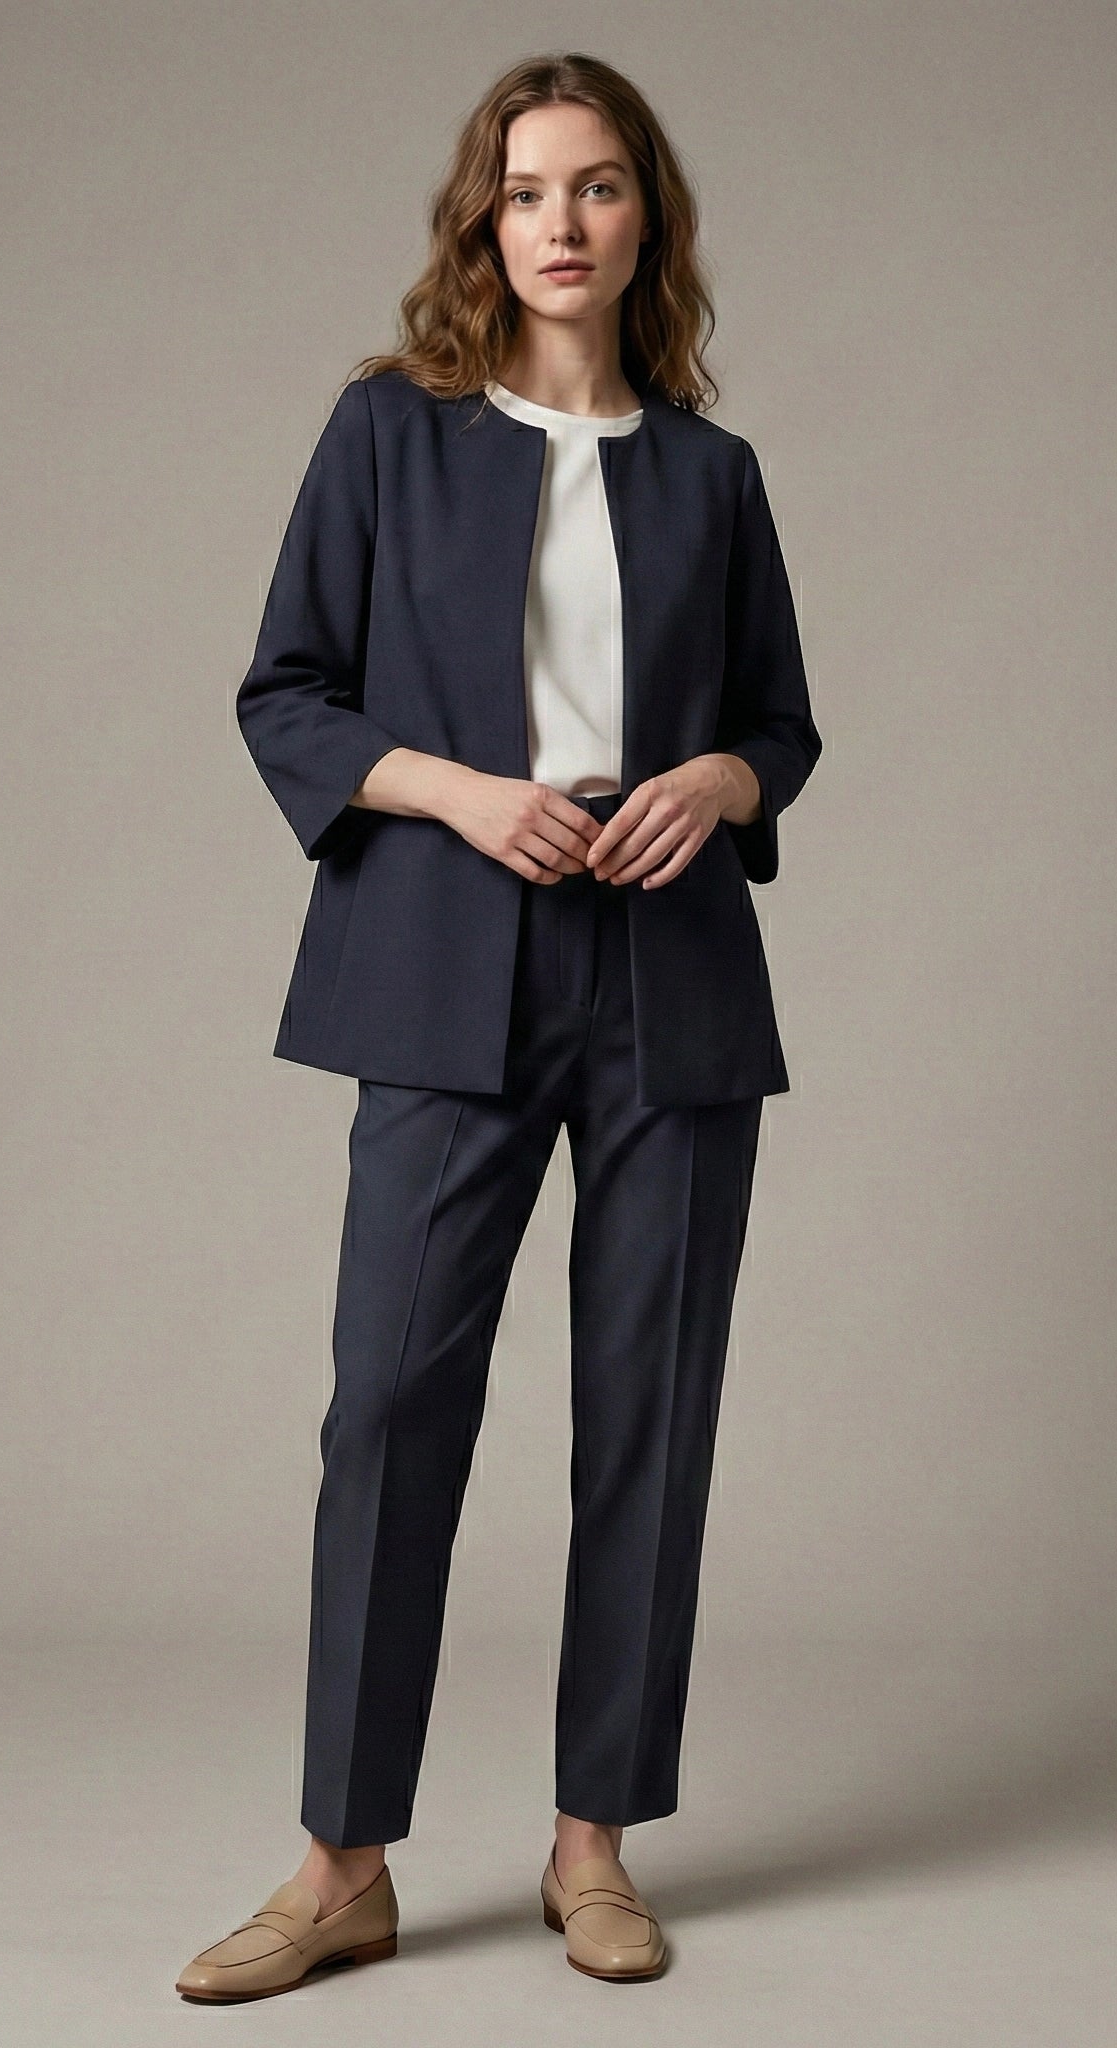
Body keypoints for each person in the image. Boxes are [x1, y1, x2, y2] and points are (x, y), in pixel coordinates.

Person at [177, 49, 821, 2002]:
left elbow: (779, 725)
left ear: (645, 222)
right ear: (484, 222)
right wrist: (458, 793)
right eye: (525, 188)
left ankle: (592, 1844)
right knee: (388, 1405)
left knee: (647, 1419)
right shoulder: (390, 435)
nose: (559, 219)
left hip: (669, 982)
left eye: (598, 185)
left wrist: (718, 778)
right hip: (445, 962)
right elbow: (283, 690)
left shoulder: (713, 474)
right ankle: (341, 1860)